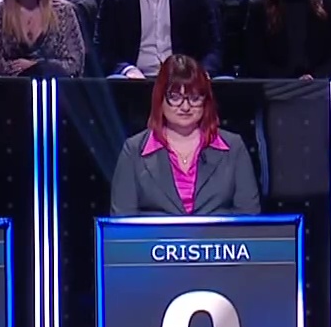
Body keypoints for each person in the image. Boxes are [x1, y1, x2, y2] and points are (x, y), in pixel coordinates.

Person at [110, 54, 259, 216]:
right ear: (160, 98)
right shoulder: (133, 151)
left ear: (206, 101)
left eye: (194, 98)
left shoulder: (234, 147)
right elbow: (121, 220)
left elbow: (249, 216)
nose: (185, 107)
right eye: (175, 97)